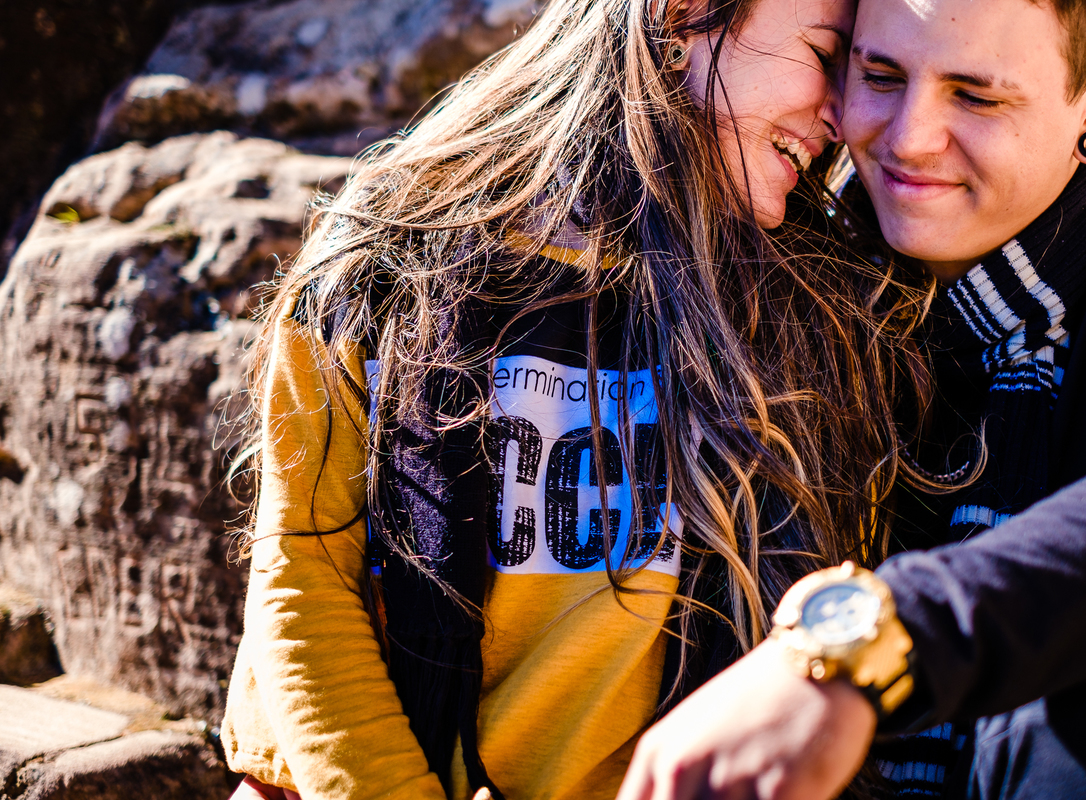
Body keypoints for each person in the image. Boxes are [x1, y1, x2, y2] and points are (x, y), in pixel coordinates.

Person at [218, 0, 932, 798]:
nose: (840, 114)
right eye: (825, 56)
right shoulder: (387, 253)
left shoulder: (823, 312)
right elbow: (305, 578)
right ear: (682, 16)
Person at [616, 0, 1086, 797]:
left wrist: (870, 646)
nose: (908, 138)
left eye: (977, 96)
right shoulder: (768, 273)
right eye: (881, 76)